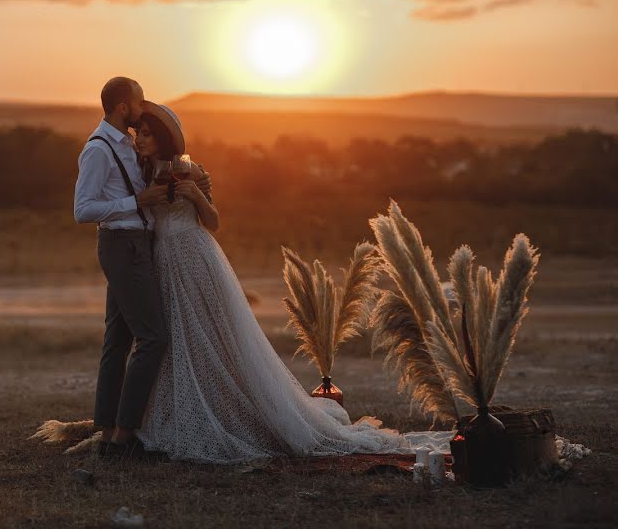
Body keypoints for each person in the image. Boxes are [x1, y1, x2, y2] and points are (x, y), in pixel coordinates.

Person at [131, 102, 428, 463]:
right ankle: (173, 414)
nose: (140, 139)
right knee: (175, 338)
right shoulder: (139, 170)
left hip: (194, 255)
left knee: (211, 334)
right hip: (162, 259)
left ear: (163, 139)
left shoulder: (189, 170)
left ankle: (228, 411)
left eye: (147, 134)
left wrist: (196, 195)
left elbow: (213, 223)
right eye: (138, 133)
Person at [73, 77, 210, 460]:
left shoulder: (125, 146)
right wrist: (136, 201)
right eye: (137, 103)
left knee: (117, 340)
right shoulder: (99, 151)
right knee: (153, 339)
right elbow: (82, 210)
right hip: (123, 246)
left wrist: (195, 177)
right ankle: (125, 436)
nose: (142, 109)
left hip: (135, 245)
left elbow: (159, 177)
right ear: (122, 107)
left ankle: (107, 435)